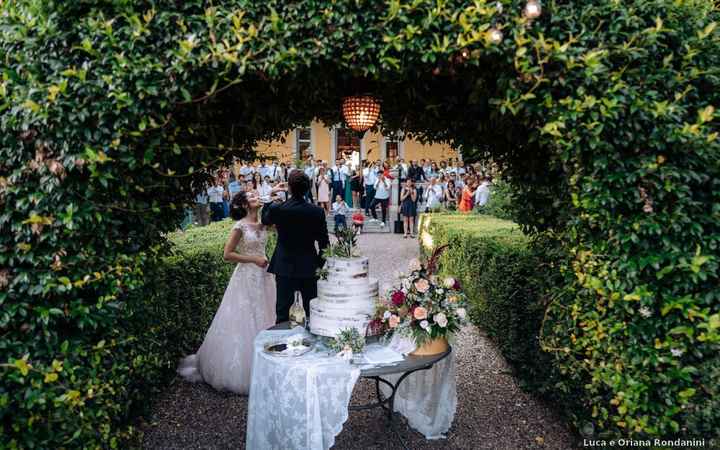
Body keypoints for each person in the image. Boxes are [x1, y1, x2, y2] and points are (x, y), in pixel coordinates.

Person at [177, 191, 276, 394]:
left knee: (268, 315)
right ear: (244, 204)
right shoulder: (239, 226)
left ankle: (273, 365)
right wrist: (254, 260)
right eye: (252, 196)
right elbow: (227, 254)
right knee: (244, 319)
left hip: (264, 276)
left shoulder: (265, 223)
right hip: (246, 277)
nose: (257, 196)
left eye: (257, 194)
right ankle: (243, 371)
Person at [261, 171, 330, 323]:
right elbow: (325, 244)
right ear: (308, 189)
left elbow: (264, 220)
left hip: (284, 266)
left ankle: (282, 345)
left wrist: (269, 197)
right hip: (309, 266)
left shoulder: (278, 209)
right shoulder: (317, 212)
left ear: (289, 188)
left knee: (282, 314)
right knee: (313, 313)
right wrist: (318, 265)